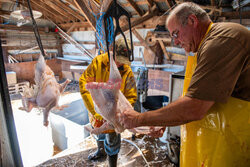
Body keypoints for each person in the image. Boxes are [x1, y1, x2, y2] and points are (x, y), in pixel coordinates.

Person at [119, 2, 250, 167]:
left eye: (175, 34)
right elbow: (191, 97)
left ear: (192, 21)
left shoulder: (221, 40)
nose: (176, 42)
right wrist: (164, 121)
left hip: (236, 142)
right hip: (218, 142)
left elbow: (195, 106)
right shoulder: (201, 46)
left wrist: (139, 119)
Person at [79, 38, 137, 167]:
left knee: (112, 140)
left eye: (124, 61)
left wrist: (123, 113)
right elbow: (84, 84)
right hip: (97, 111)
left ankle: (112, 163)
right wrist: (95, 112)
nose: (121, 64)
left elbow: (131, 95)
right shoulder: (98, 63)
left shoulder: (126, 70)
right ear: (112, 52)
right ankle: (100, 151)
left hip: (113, 115)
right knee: (98, 132)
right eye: (119, 60)